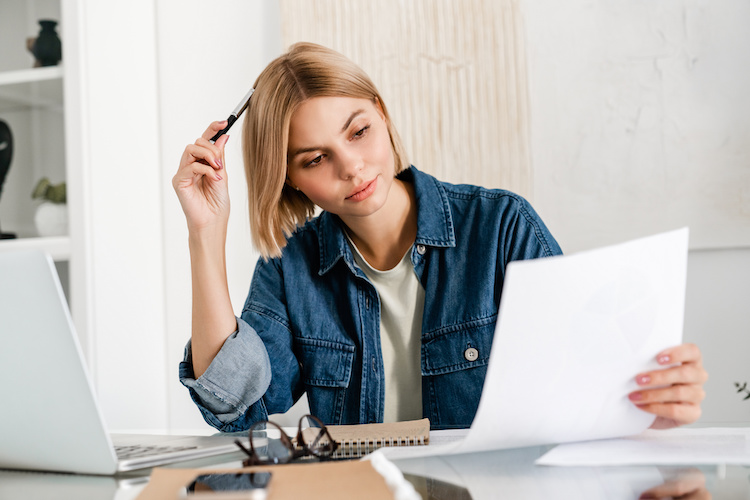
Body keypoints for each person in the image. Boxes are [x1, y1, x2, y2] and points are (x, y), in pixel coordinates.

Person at [173, 42, 707, 432]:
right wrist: (205, 235)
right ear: (289, 177)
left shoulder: (501, 228)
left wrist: (654, 406)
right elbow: (239, 406)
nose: (353, 168)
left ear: (382, 113)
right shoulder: (290, 266)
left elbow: (583, 396)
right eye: (316, 159)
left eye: (358, 131)